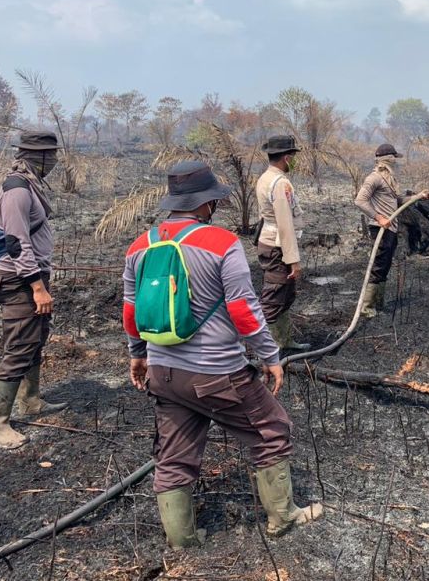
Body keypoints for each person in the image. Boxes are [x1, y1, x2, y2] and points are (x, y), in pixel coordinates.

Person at [122, 161, 322, 548]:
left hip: (163, 373)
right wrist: (270, 356)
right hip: (216, 374)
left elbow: (131, 311)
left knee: (174, 454)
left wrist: (138, 355)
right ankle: (283, 517)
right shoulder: (221, 243)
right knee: (272, 430)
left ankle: (181, 539)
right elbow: (244, 309)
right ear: (206, 204)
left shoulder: (138, 246)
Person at [0, 130, 66, 450]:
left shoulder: (30, 184)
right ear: (37, 156)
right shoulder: (17, 190)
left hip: (31, 279)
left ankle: (31, 402)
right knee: (19, 347)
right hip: (20, 281)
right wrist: (37, 287)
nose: (55, 161)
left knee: (35, 339)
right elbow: (15, 244)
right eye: (51, 155)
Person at [353, 143, 429, 318]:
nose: (397, 162)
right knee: (378, 265)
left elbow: (399, 200)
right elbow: (360, 200)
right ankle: (366, 308)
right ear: (388, 159)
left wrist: (419, 196)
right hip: (380, 229)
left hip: (391, 229)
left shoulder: (390, 179)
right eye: (394, 158)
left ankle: (377, 304)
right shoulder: (374, 178)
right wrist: (379, 218)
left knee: (385, 265)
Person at [254, 135, 309, 355]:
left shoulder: (265, 178)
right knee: (273, 296)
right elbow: (285, 224)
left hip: (271, 242)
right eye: (293, 157)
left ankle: (283, 341)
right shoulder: (280, 183)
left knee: (284, 294)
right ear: (286, 158)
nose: (294, 161)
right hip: (277, 246)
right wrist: (293, 260)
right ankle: (261, 348)